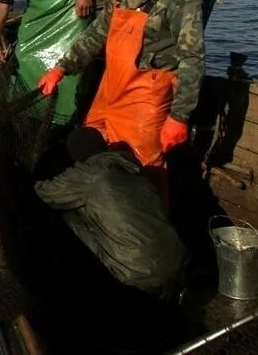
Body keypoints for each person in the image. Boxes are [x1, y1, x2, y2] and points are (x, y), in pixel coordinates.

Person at [38, 0, 205, 194]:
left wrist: (179, 117)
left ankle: (150, 229)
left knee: (144, 172)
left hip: (147, 99)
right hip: (111, 89)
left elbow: (193, 60)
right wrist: (61, 68)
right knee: (84, 144)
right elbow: (97, 33)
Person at [34, 127, 187, 299]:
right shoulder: (134, 169)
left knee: (69, 216)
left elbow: (45, 194)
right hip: (178, 264)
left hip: (137, 277)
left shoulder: (90, 174)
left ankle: (80, 284)